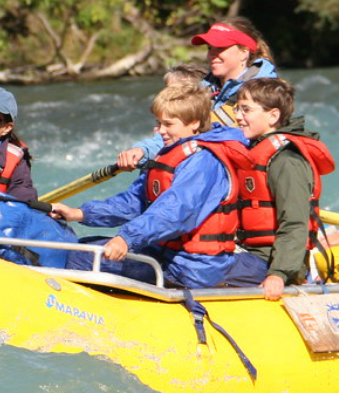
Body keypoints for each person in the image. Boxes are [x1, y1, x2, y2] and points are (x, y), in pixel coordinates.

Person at [52, 83, 249, 289]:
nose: (160, 132)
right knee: (84, 247)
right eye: (158, 123)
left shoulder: (203, 162)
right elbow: (134, 202)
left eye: (168, 124)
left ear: (194, 123)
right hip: (165, 253)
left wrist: (126, 239)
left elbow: (174, 213)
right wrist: (79, 213)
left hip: (192, 265)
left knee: (82, 259)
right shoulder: (171, 153)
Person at [117, 17, 277, 170]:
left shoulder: (263, 91)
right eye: (209, 49)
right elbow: (175, 130)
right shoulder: (204, 88)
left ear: (244, 52)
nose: (211, 55)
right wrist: (142, 151)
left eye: (220, 48)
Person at [226, 78, 335, 300]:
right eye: (238, 108)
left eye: (246, 110)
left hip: (270, 262)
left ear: (273, 116)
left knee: (195, 272)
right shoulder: (252, 150)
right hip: (247, 252)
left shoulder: (286, 161)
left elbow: (295, 222)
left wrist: (279, 273)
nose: (238, 117)